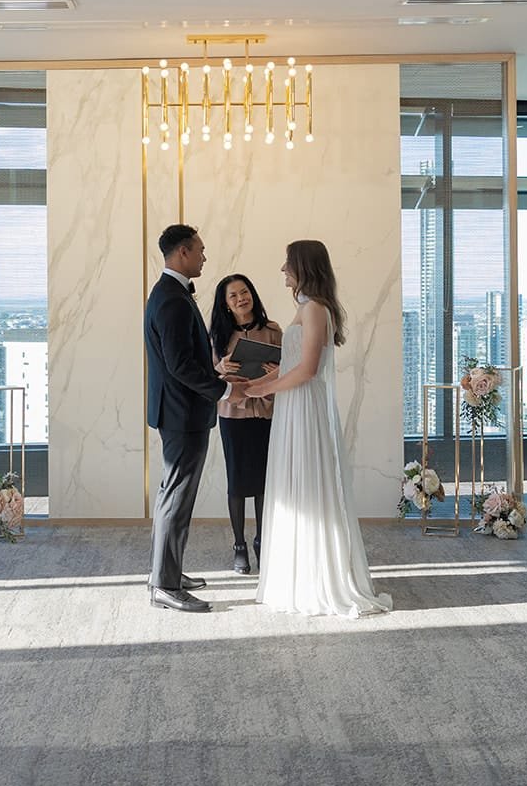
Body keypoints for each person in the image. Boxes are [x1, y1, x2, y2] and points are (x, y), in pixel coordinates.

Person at [244, 240, 392, 618]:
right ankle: (297, 575)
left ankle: (315, 579)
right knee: (294, 484)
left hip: (304, 407)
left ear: (303, 267)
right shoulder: (307, 307)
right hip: (293, 405)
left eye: (288, 263)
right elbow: (293, 364)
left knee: (307, 484)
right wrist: (258, 383)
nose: (283, 269)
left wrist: (264, 389)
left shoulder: (315, 309)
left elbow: (308, 370)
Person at [145, 224, 244, 613]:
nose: (205, 256)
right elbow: (180, 365)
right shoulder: (171, 299)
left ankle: (165, 572)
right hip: (182, 414)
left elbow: (183, 360)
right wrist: (224, 390)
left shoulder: (168, 293)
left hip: (177, 411)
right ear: (182, 252)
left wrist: (215, 370)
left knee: (172, 495)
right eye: (200, 250)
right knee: (176, 498)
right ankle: (165, 586)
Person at [210, 273, 282, 574]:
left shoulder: (273, 330)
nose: (241, 298)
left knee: (265, 481)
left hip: (267, 412)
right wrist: (220, 366)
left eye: (245, 292)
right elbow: (208, 375)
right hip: (233, 415)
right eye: (233, 295)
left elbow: (289, 369)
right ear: (226, 304)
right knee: (237, 482)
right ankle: (239, 545)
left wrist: (276, 368)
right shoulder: (218, 335)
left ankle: (262, 542)